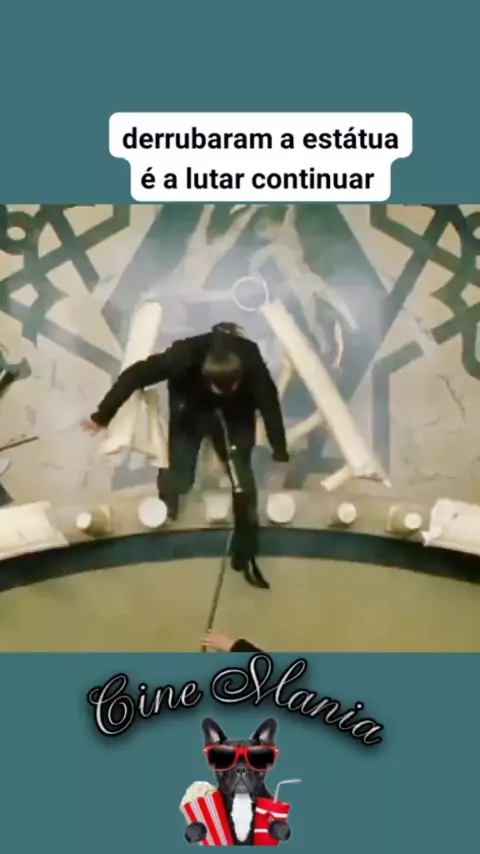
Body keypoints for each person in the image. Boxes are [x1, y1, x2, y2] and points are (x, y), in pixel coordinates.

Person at [82, 322, 289, 589]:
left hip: (236, 412)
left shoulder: (251, 361)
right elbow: (134, 375)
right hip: (191, 409)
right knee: (180, 475)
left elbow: (270, 405)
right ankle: (169, 503)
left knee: (243, 481)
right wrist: (102, 416)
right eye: (220, 387)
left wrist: (280, 451)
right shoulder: (182, 357)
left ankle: (245, 552)